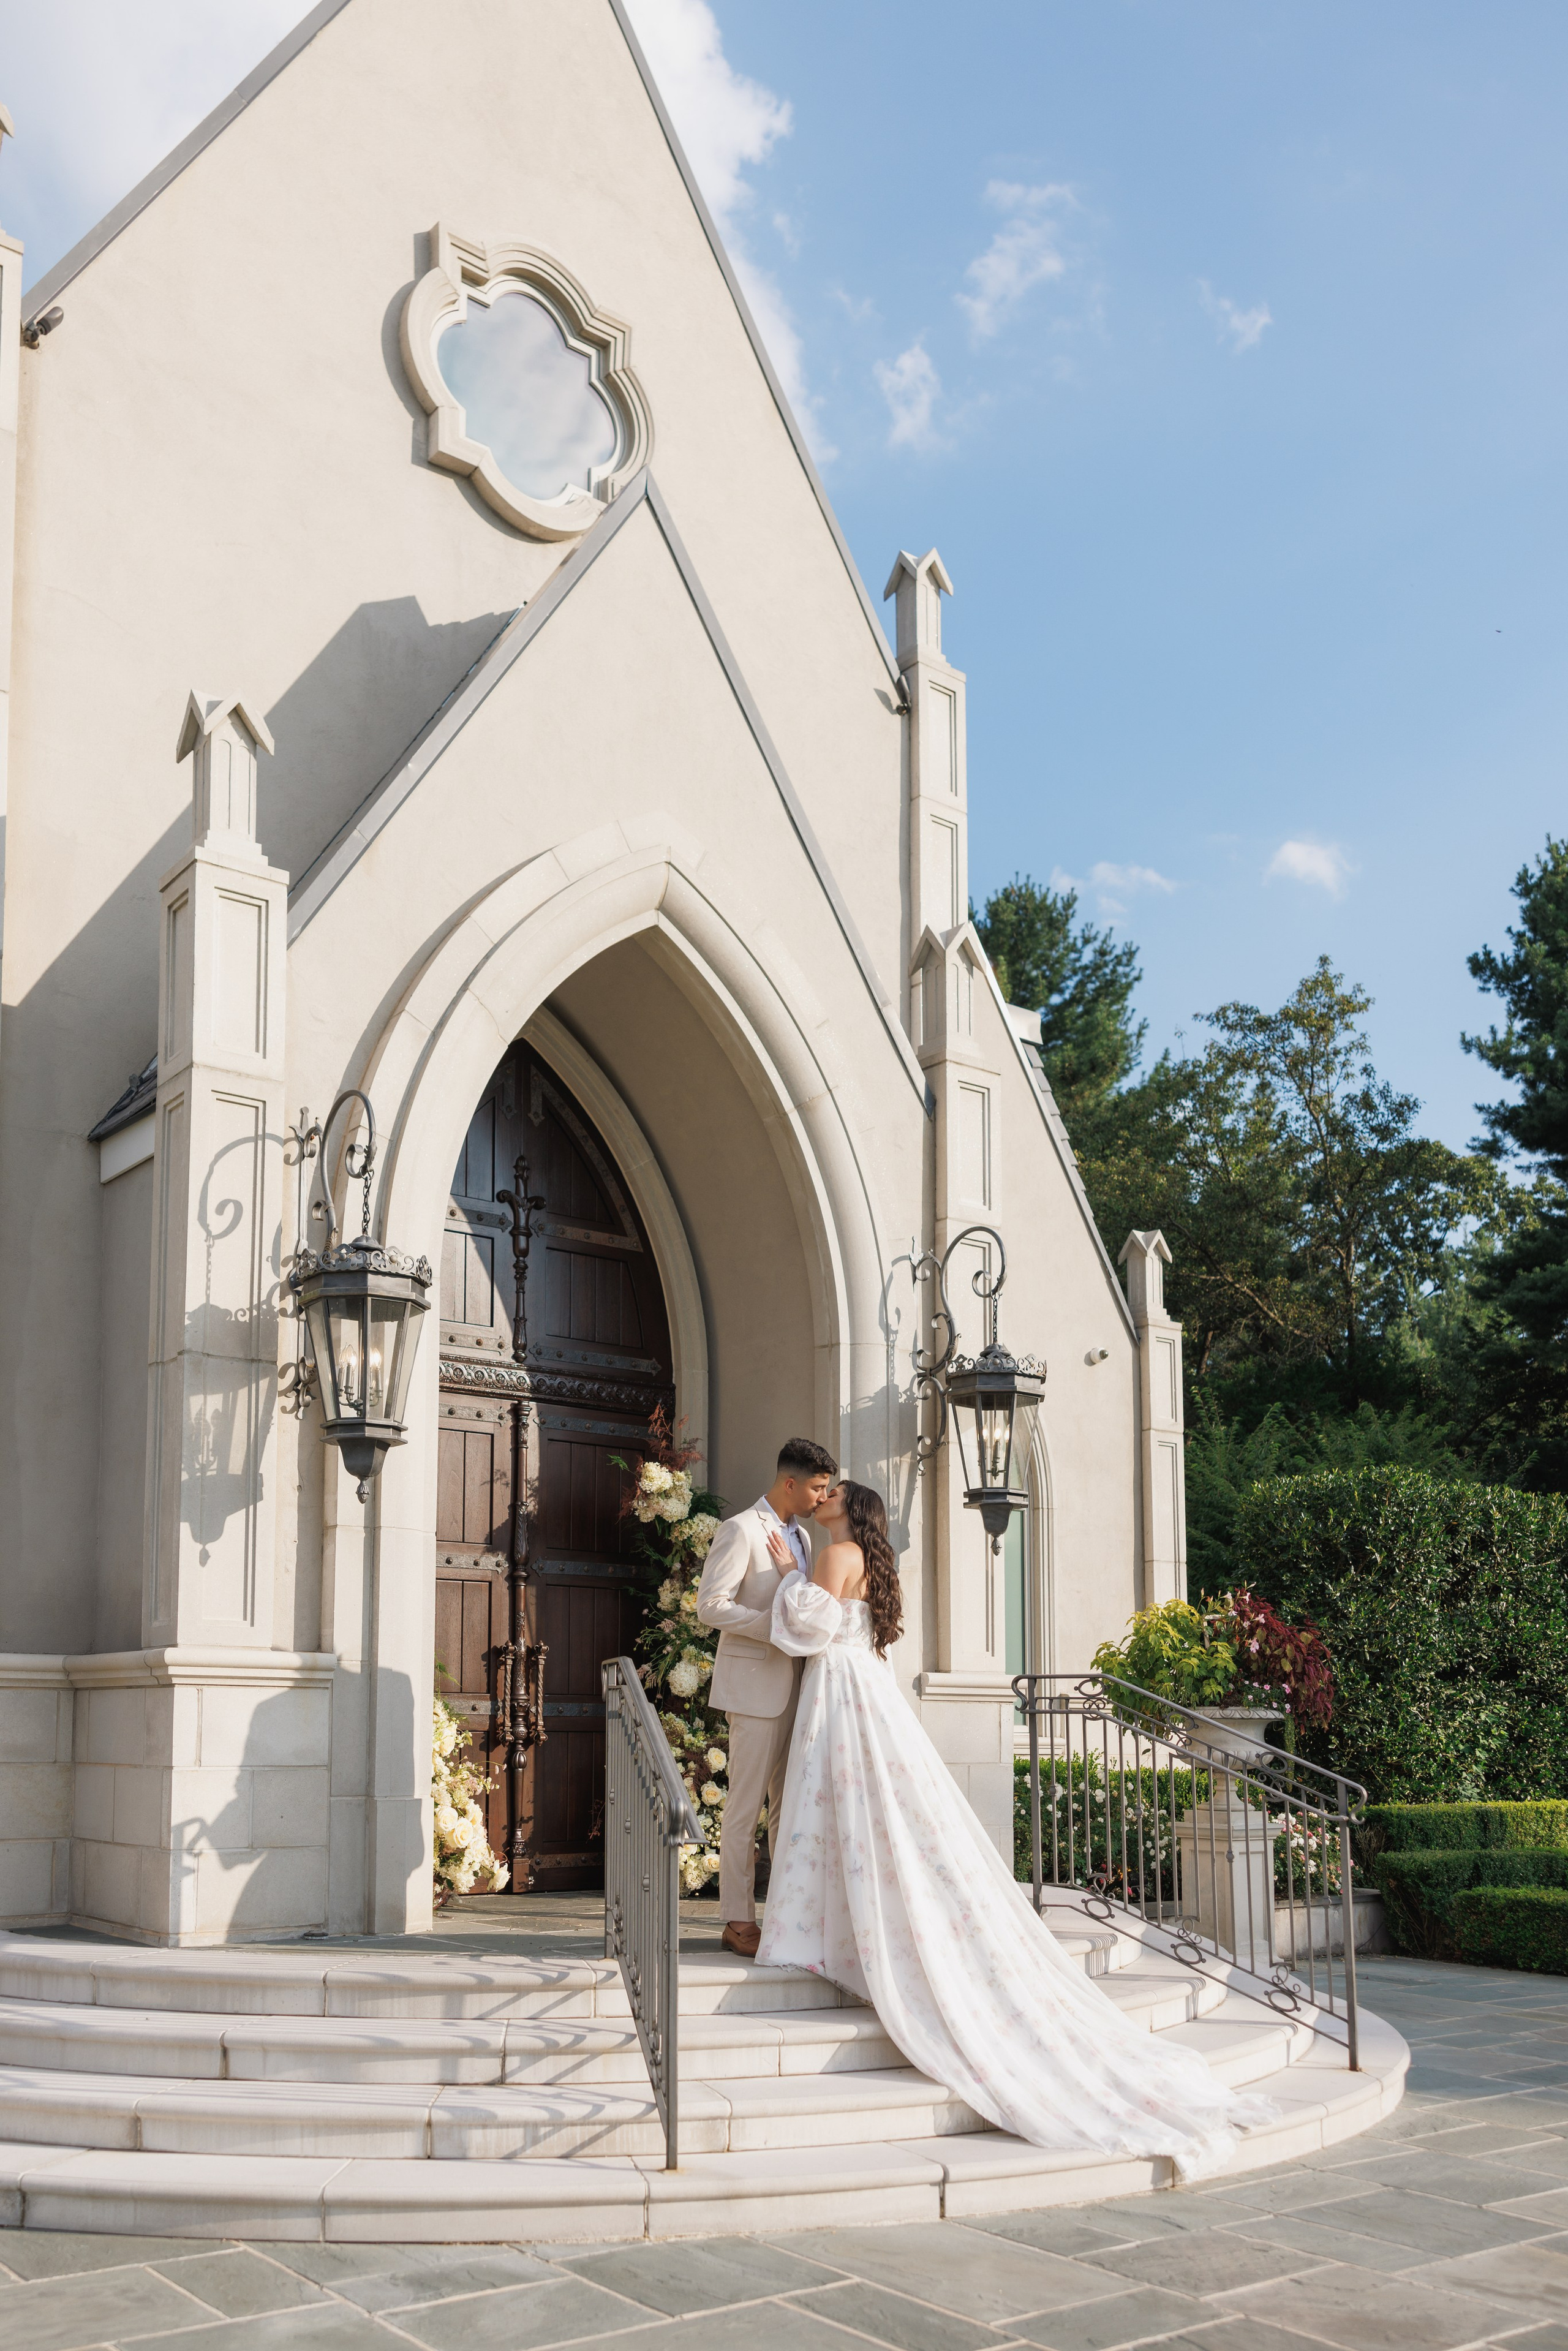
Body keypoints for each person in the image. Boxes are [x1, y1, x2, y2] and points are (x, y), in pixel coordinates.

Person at [755, 1479, 1276, 2181]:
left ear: (849, 1508)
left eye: (834, 1492)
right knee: (863, 1815)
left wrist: (788, 1576)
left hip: (840, 1687)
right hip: (867, 1687)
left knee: (835, 1808)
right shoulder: (873, 1561)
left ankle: (814, 1935)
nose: (823, 1496)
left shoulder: (832, 1553)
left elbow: (806, 1627)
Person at [695, 1436, 839, 1958]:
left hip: (800, 1689)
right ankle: (737, 1920)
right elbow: (710, 1607)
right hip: (755, 1689)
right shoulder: (740, 1530)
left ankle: (784, 1914)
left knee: (789, 1808)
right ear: (791, 1483)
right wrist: (774, 1627)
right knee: (744, 1808)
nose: (823, 1498)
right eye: (819, 1488)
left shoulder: (802, 1540)